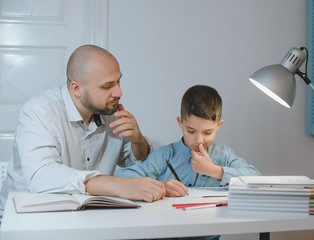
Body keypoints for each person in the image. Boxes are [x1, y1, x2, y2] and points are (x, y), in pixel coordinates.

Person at [0, 45, 165, 221]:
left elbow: (134, 161)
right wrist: (117, 185)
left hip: (82, 219)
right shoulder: (38, 112)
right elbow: (41, 176)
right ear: (76, 88)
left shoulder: (110, 112)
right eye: (107, 86)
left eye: (118, 81)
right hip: (24, 220)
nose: (119, 92)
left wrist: (137, 140)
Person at [116, 84, 261, 196]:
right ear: (181, 123)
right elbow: (123, 177)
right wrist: (160, 187)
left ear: (219, 125)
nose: (199, 140)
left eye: (208, 132)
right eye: (191, 131)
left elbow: (257, 180)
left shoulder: (223, 154)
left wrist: (216, 171)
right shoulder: (166, 155)